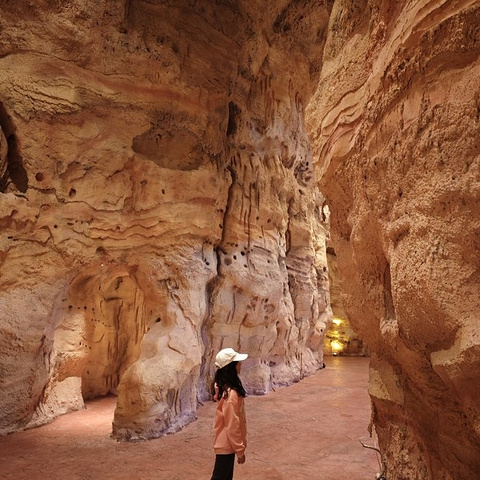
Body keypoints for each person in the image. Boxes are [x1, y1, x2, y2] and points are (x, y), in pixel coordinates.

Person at [210, 347, 248, 480]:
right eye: (237, 362)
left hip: (227, 444)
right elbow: (232, 425)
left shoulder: (225, 389)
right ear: (231, 367)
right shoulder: (231, 395)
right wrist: (240, 450)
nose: (240, 364)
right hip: (227, 444)